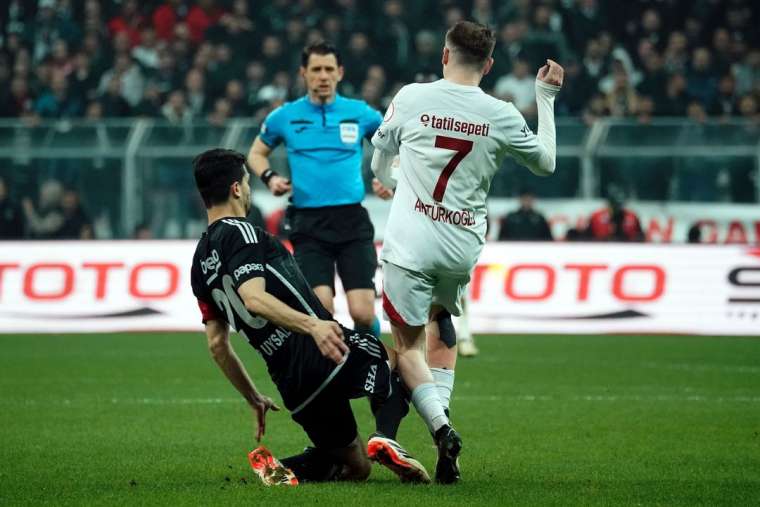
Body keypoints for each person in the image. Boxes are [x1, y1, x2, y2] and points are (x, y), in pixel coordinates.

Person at [370, 20, 564, 483]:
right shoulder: (501, 113)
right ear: (490, 64)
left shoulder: (412, 97)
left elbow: (378, 158)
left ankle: (441, 429)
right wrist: (546, 97)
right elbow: (546, 162)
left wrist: (393, 181)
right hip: (460, 247)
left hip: (410, 244)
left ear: (444, 55)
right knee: (442, 321)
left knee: (406, 347)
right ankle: (441, 438)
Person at [189, 148, 428, 485]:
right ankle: (385, 437)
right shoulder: (241, 232)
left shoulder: (199, 262)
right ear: (237, 189)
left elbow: (217, 345)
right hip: (320, 347)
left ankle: (273, 470)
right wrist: (313, 325)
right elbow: (254, 298)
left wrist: (253, 397)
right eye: (246, 180)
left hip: (290, 381)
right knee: (402, 361)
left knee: (356, 468)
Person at [247, 41, 392, 341]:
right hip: (308, 225)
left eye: (328, 69)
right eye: (316, 69)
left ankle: (374, 368)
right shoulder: (284, 116)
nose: (322, 76)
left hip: (351, 221)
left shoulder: (361, 113)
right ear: (304, 73)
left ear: (340, 73)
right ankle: (337, 376)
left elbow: (394, 147)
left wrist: (388, 177)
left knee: (363, 314)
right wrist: (270, 177)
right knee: (322, 310)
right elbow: (255, 154)